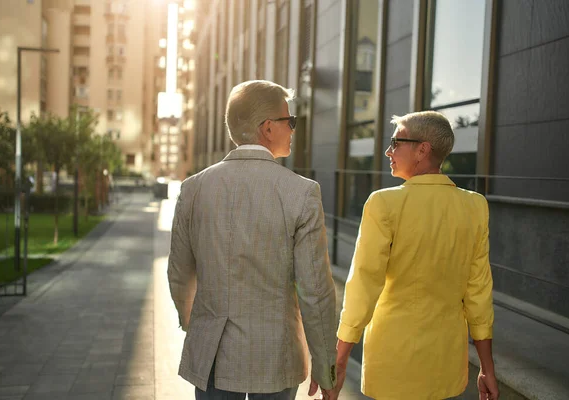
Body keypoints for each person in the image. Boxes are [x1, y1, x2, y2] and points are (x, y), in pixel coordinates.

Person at [168, 80, 339, 400]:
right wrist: (325, 363)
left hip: (212, 354)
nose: (293, 129)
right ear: (269, 128)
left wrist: (193, 323)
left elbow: (179, 271)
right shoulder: (301, 192)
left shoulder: (193, 188)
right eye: (291, 121)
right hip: (276, 354)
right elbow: (315, 290)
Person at [335, 111, 499, 400]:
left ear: (423, 149)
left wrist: (339, 358)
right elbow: (479, 291)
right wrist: (487, 368)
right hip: (446, 363)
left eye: (396, 142)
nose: (389, 151)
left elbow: (363, 283)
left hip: (393, 360)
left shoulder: (383, 204)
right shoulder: (475, 206)